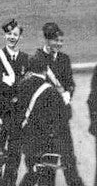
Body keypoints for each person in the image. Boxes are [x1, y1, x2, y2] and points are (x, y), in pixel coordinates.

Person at [29, 23, 83, 186]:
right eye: (55, 41)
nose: (59, 44)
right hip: (46, 121)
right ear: (47, 40)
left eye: (61, 41)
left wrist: (67, 94)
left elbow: (70, 83)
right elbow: (36, 89)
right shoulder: (37, 60)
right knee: (48, 163)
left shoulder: (64, 59)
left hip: (62, 118)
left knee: (69, 159)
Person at [12, 56, 69, 186]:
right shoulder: (51, 91)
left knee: (32, 170)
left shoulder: (22, 85)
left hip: (27, 138)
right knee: (47, 178)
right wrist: (65, 99)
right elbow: (62, 117)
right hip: (46, 142)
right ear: (46, 69)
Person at [0, 19, 29, 171]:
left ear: (20, 37)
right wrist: (16, 88)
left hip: (17, 114)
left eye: (15, 34)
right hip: (0, 111)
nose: (12, 37)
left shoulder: (25, 58)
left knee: (14, 155)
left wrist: (10, 82)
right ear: (5, 35)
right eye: (9, 34)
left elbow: (27, 86)